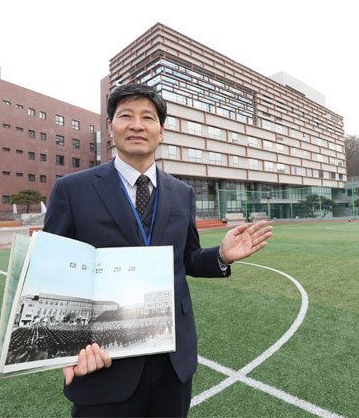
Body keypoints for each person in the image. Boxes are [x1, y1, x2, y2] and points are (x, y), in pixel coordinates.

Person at [43, 83, 273, 417]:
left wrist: (221, 255)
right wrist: (63, 349)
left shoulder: (181, 193)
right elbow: (53, 271)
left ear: (161, 131)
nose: (137, 125)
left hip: (172, 359)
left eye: (147, 118)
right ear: (111, 127)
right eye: (126, 116)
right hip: (103, 359)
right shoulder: (72, 189)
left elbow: (187, 259)